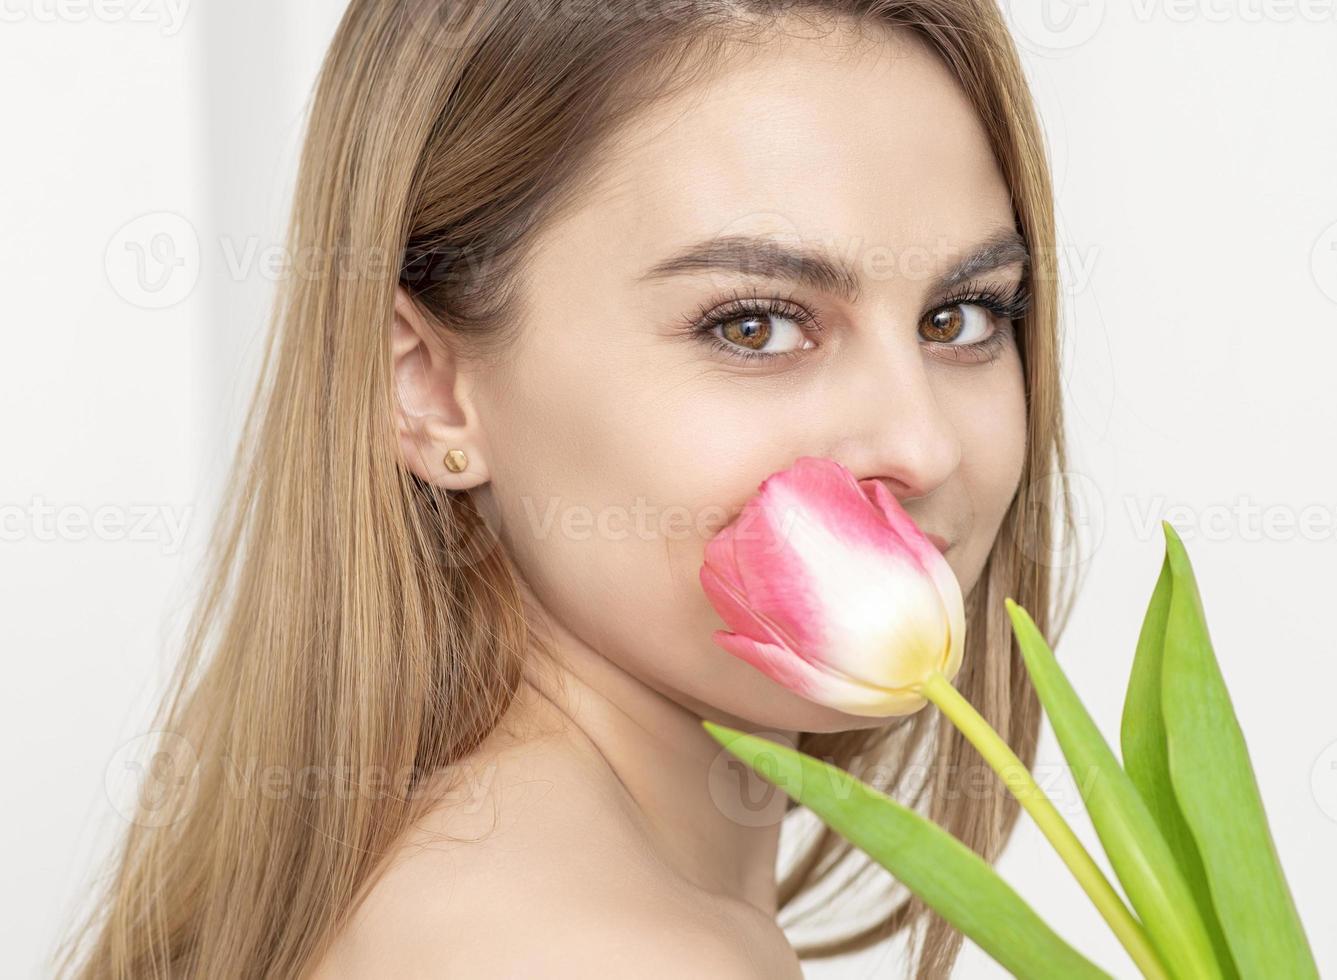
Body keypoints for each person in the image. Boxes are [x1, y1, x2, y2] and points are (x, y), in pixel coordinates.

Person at [58, 1, 1075, 976]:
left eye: (963, 316)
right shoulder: (610, 952)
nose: (920, 441)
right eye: (753, 324)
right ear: (428, 386)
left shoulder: (449, 884)